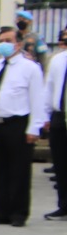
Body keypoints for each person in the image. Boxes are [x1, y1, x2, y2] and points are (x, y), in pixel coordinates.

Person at [0, 26, 46, 227]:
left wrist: (34, 128)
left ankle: (18, 212)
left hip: (17, 124)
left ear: (18, 43)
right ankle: (0, 211)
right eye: (1, 41)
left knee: (19, 170)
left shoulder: (30, 68)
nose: (4, 44)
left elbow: (37, 99)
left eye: (8, 40)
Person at [45, 27, 67, 221]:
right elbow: (49, 86)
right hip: (59, 115)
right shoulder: (57, 60)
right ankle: (63, 205)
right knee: (60, 163)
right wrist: (45, 115)